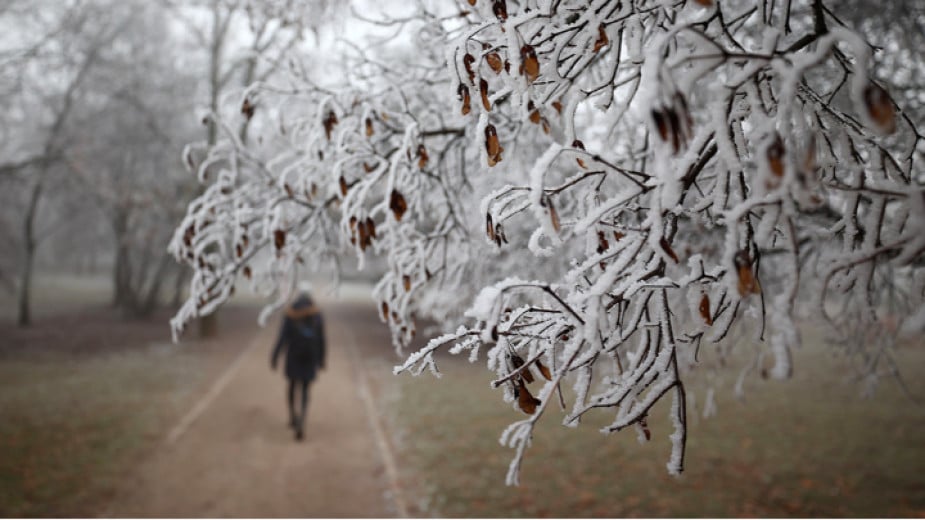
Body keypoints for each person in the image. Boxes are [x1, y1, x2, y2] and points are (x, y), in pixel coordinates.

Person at [271, 288, 326, 441]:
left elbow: (282, 337)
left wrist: (275, 356)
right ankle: (302, 418)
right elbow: (322, 339)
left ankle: (292, 416)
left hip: (293, 356)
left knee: (292, 385)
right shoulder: (317, 314)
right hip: (310, 357)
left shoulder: (290, 313)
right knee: (305, 389)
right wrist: (322, 359)